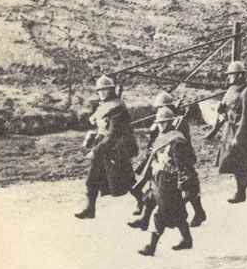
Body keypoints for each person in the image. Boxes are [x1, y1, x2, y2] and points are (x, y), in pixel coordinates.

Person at [129, 91, 206, 230]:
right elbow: (154, 135)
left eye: (161, 107)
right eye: (158, 108)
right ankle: (144, 219)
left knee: (188, 186)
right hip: (159, 156)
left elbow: (179, 140)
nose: (159, 110)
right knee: (154, 187)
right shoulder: (162, 120)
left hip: (179, 156)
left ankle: (198, 213)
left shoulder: (179, 122)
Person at [75, 75, 138, 219]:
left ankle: (142, 202)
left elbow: (113, 134)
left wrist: (95, 151)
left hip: (117, 149)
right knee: (92, 178)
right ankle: (90, 209)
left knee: (126, 180)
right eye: (100, 90)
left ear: (111, 90)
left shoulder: (118, 108)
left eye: (105, 90)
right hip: (103, 146)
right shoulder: (103, 106)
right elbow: (101, 127)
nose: (102, 93)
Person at [138, 107, 198, 256]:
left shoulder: (176, 140)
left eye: (162, 123)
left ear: (167, 123)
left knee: (161, 213)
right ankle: (187, 240)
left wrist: (184, 185)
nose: (159, 125)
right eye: (159, 123)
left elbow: (182, 165)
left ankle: (151, 247)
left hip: (170, 181)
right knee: (177, 212)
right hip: (160, 179)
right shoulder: (163, 137)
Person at [208, 61, 247, 203]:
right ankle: (242, 187)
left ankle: (242, 188)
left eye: (232, 75)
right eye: (229, 75)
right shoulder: (231, 90)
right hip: (230, 128)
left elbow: (246, 117)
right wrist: (220, 109)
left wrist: (239, 136)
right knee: (232, 160)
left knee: (239, 160)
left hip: (242, 130)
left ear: (240, 75)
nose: (229, 77)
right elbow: (224, 106)